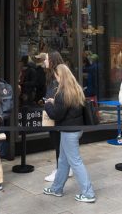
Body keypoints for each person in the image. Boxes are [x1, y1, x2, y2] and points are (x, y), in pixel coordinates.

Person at [43, 64, 96, 204]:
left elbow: (56, 114)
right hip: (75, 129)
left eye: (56, 75)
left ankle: (88, 193)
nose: (55, 77)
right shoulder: (75, 89)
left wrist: (47, 105)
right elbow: (67, 106)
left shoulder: (62, 92)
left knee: (75, 162)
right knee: (63, 161)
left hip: (68, 131)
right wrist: (56, 102)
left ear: (60, 76)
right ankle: (56, 188)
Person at [42, 51, 72, 182]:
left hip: (58, 118)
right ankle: (65, 168)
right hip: (62, 117)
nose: (45, 61)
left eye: (47, 59)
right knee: (61, 145)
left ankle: (61, 170)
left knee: (59, 144)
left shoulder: (56, 79)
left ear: (52, 61)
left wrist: (47, 104)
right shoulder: (56, 77)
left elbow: (56, 101)